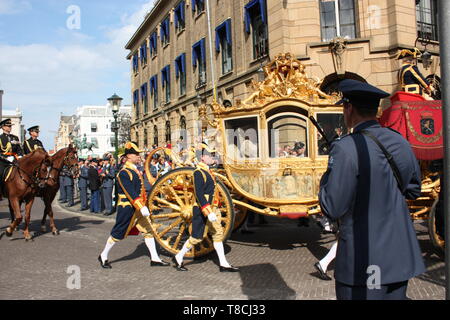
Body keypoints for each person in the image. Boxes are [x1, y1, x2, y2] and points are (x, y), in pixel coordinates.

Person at [319, 79, 425, 300]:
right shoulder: (400, 141)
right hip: (399, 256)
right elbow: (414, 190)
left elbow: (332, 205)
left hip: (365, 259)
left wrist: (325, 177)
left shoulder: (345, 148)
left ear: (348, 108)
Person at [98, 142, 169, 268]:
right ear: (129, 156)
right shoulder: (124, 173)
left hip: (138, 208)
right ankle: (103, 255)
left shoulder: (134, 170)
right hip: (128, 208)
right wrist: (141, 206)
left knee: (148, 231)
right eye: (136, 154)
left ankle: (155, 258)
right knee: (118, 233)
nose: (138, 157)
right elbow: (130, 192)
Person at [172, 146, 239, 272]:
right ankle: (179, 256)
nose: (212, 158)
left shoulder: (207, 171)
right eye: (209, 155)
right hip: (202, 209)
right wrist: (207, 211)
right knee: (197, 237)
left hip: (212, 208)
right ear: (202, 157)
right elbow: (199, 193)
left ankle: (223, 263)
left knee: (218, 233)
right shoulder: (198, 172)